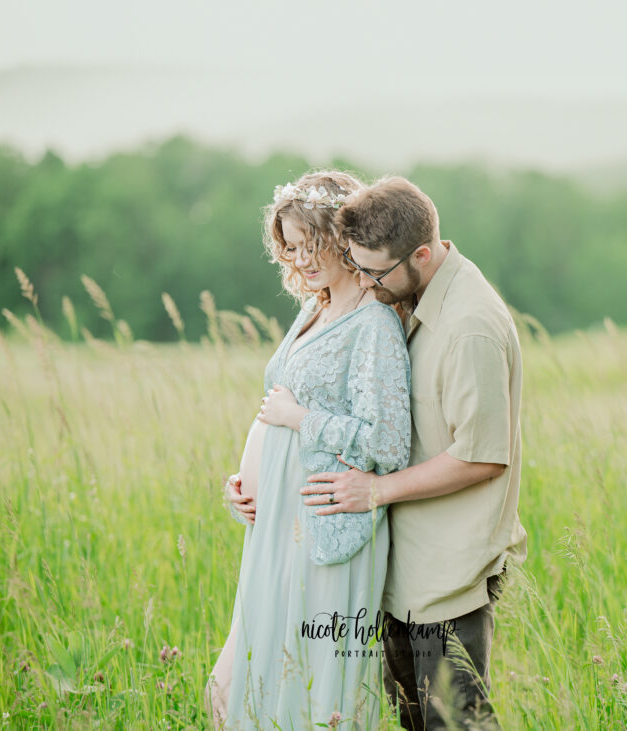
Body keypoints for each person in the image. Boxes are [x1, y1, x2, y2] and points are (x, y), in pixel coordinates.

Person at [300, 176, 528, 730]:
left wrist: (375, 491)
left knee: (456, 721)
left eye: (374, 272)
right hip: (403, 565)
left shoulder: (469, 327)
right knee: (413, 719)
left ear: (421, 255)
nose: (366, 284)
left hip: (449, 569)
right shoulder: (409, 293)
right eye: (358, 268)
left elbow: (482, 457)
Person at [207, 170, 412, 730]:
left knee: (313, 685)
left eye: (310, 244)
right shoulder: (314, 310)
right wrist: (247, 485)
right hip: (276, 523)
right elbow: (274, 415)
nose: (299, 260)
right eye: (290, 248)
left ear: (341, 238)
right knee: (257, 674)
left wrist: (300, 419)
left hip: (327, 526)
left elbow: (386, 442)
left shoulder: (373, 325)